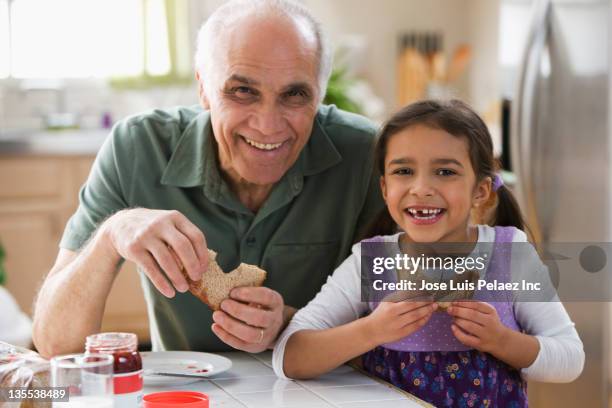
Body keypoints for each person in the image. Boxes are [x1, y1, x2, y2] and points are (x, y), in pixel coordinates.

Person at [32, 0, 384, 357]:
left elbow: (405, 322)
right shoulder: (137, 147)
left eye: (294, 95)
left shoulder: (368, 155)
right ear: (203, 88)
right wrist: (110, 235)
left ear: (319, 95)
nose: (267, 124)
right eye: (242, 91)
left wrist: (291, 325)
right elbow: (56, 345)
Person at [272, 100, 584, 407]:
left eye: (446, 172)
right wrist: (372, 330)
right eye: (404, 170)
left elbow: (570, 359)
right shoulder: (370, 262)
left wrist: (501, 340)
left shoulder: (510, 254)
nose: (420, 188)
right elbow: (290, 357)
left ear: (480, 191)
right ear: (384, 188)